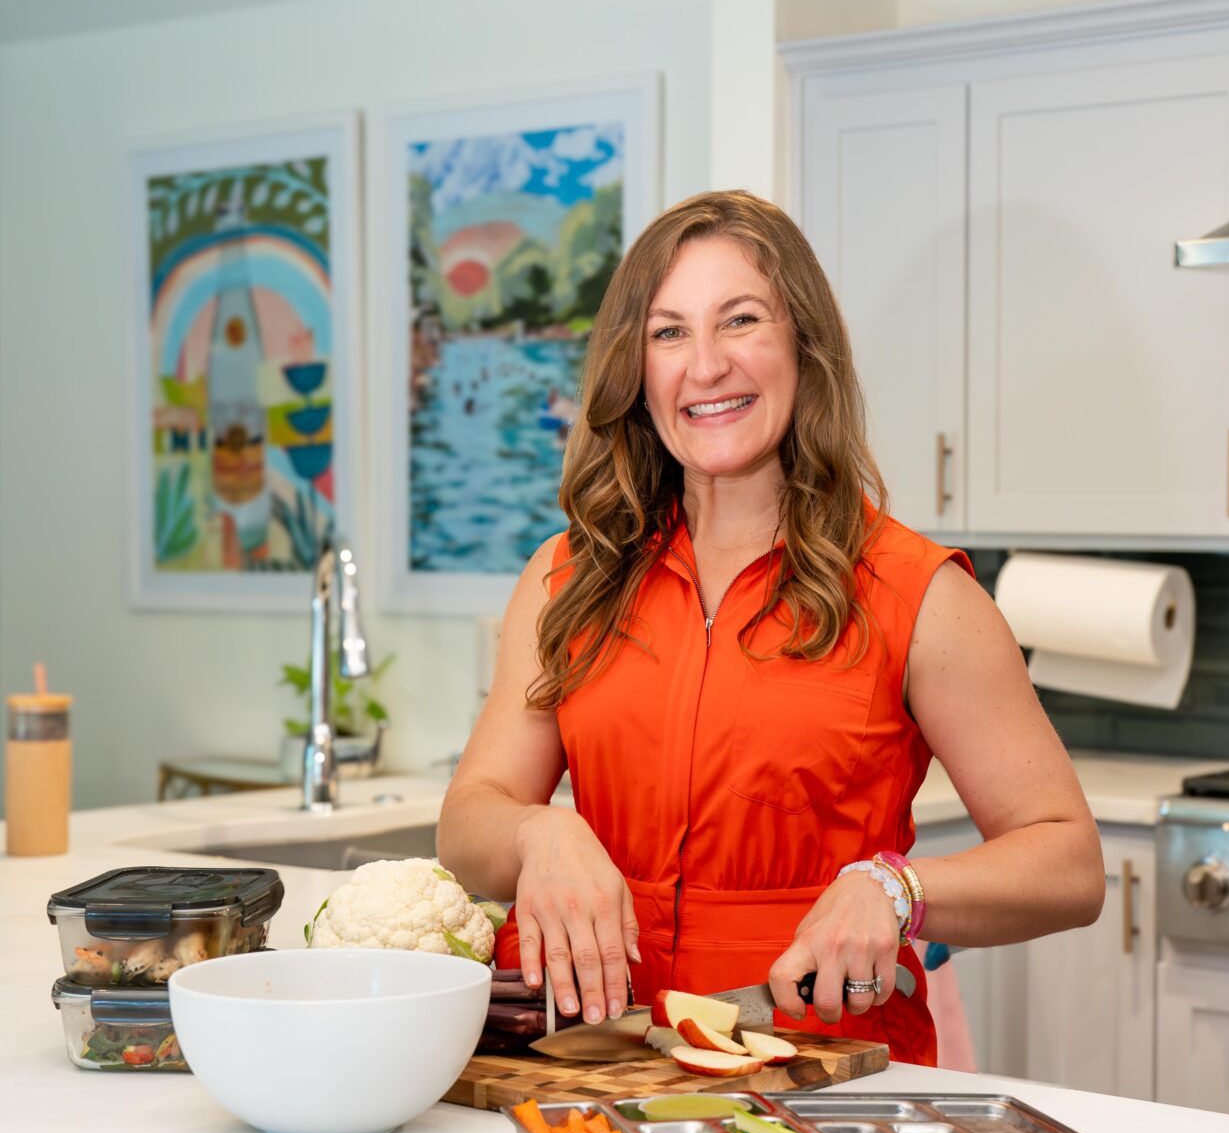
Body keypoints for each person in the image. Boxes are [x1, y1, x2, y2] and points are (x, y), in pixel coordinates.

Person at [438, 190, 1104, 1065]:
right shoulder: (568, 575)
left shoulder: (920, 593)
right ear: (635, 370)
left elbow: (1068, 863)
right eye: (668, 333)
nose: (705, 365)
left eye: (740, 320)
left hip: (818, 1072)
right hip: (588, 1062)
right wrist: (539, 834)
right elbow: (467, 824)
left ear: (803, 344)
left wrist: (896, 889)